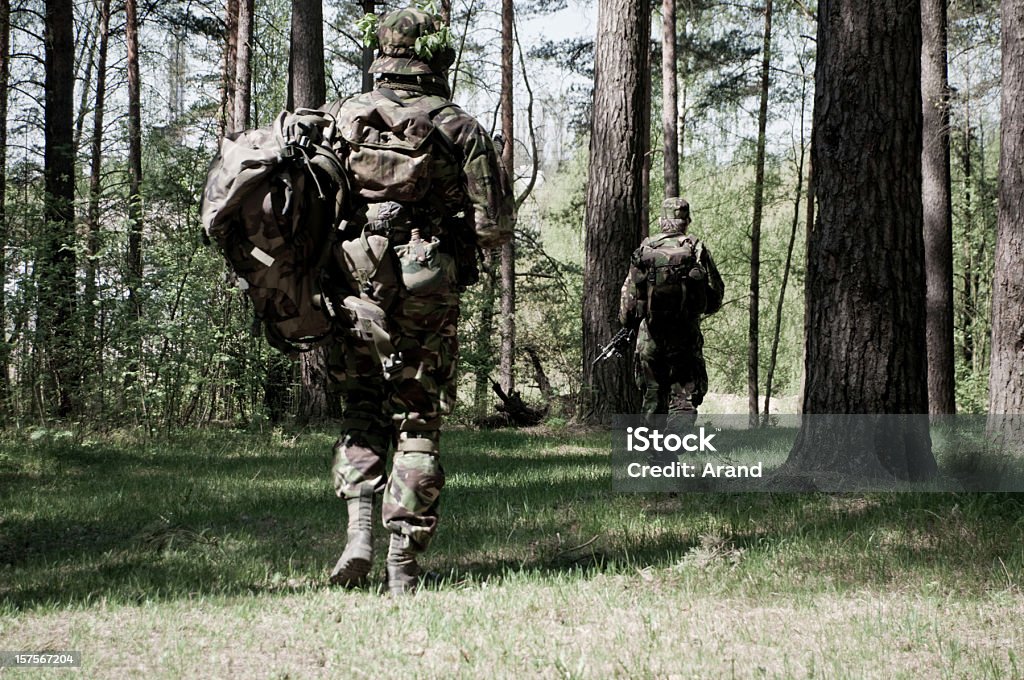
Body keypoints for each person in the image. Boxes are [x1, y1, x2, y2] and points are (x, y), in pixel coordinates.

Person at [322, 6, 515, 595]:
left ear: (382, 50)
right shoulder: (458, 125)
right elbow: (494, 228)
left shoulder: (342, 116)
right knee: (417, 415)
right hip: (427, 276)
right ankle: (402, 563)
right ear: (435, 57)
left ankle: (358, 536)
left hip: (356, 272)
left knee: (361, 406)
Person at [619, 198, 724, 426]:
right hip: (685, 337)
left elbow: (628, 304)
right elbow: (715, 297)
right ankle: (672, 449)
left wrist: (630, 324)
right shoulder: (696, 249)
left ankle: (658, 458)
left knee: (653, 399)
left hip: (650, 339)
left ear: (661, 221)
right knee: (684, 401)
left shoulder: (644, 251)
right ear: (686, 221)